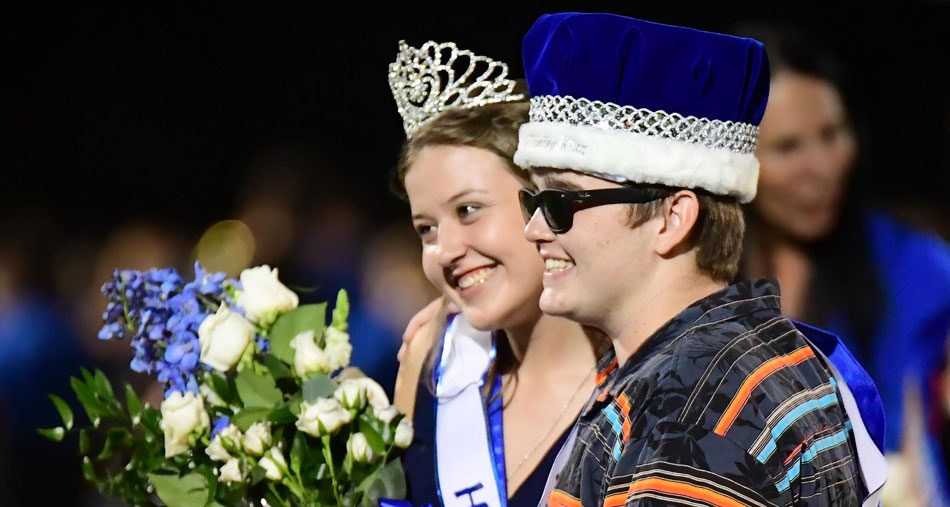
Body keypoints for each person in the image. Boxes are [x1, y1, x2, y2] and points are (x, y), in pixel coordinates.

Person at [515, 13, 885, 506]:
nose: (534, 229)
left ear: (672, 218)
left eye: (561, 203)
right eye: (532, 201)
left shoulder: (688, 420)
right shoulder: (731, 361)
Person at [735, 26, 950, 504]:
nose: (824, 167)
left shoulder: (916, 267)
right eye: (788, 148)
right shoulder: (700, 279)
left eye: (833, 133)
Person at [386, 40, 605, 507]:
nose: (444, 251)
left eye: (468, 210)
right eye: (426, 229)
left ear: (543, 204)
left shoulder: (640, 385)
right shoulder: (430, 370)